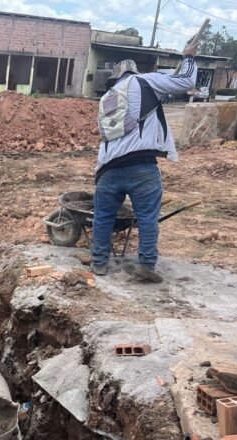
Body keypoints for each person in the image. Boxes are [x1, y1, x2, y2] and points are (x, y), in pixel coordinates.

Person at [91, 42, 198, 282]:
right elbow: (186, 82)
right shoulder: (145, 82)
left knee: (103, 216)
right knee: (148, 218)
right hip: (141, 166)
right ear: (134, 73)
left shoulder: (106, 98)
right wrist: (188, 58)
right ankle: (146, 266)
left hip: (107, 169)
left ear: (115, 77)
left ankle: (99, 263)